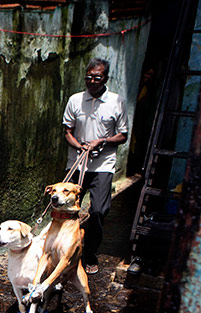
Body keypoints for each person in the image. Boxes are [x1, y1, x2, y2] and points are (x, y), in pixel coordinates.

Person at [62, 58, 129, 275]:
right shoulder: (75, 100)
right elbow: (67, 132)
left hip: (103, 165)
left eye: (97, 77)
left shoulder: (117, 101)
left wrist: (103, 141)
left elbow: (123, 135)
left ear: (106, 78)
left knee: (99, 211)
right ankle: (63, 252)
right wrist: (79, 146)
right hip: (77, 163)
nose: (92, 81)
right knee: (65, 208)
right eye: (88, 77)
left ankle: (90, 253)